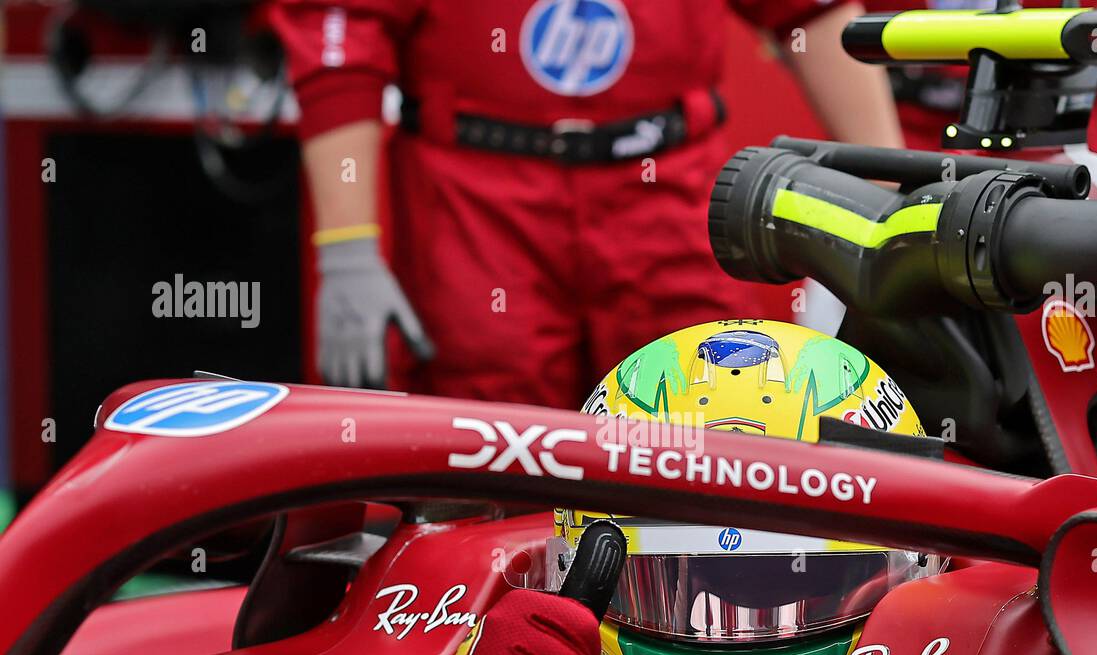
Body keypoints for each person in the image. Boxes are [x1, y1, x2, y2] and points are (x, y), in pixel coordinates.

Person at [315, 319, 933, 655]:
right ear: (581, 580)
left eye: (787, 585)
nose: (730, 637)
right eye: (680, 588)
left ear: (913, 577)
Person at [271, 1, 903, 406]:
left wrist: (891, 209)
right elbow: (344, 38)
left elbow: (809, 13)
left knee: (703, 419)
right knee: (485, 451)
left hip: (665, 190)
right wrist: (346, 248)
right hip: (478, 203)